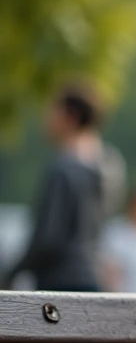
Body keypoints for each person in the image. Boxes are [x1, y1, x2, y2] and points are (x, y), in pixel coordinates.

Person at [2, 87, 107, 292]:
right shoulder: (108, 166)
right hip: (91, 274)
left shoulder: (63, 168)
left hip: (59, 281)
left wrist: (13, 272)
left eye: (52, 112)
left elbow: (48, 238)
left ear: (71, 117)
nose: (46, 119)